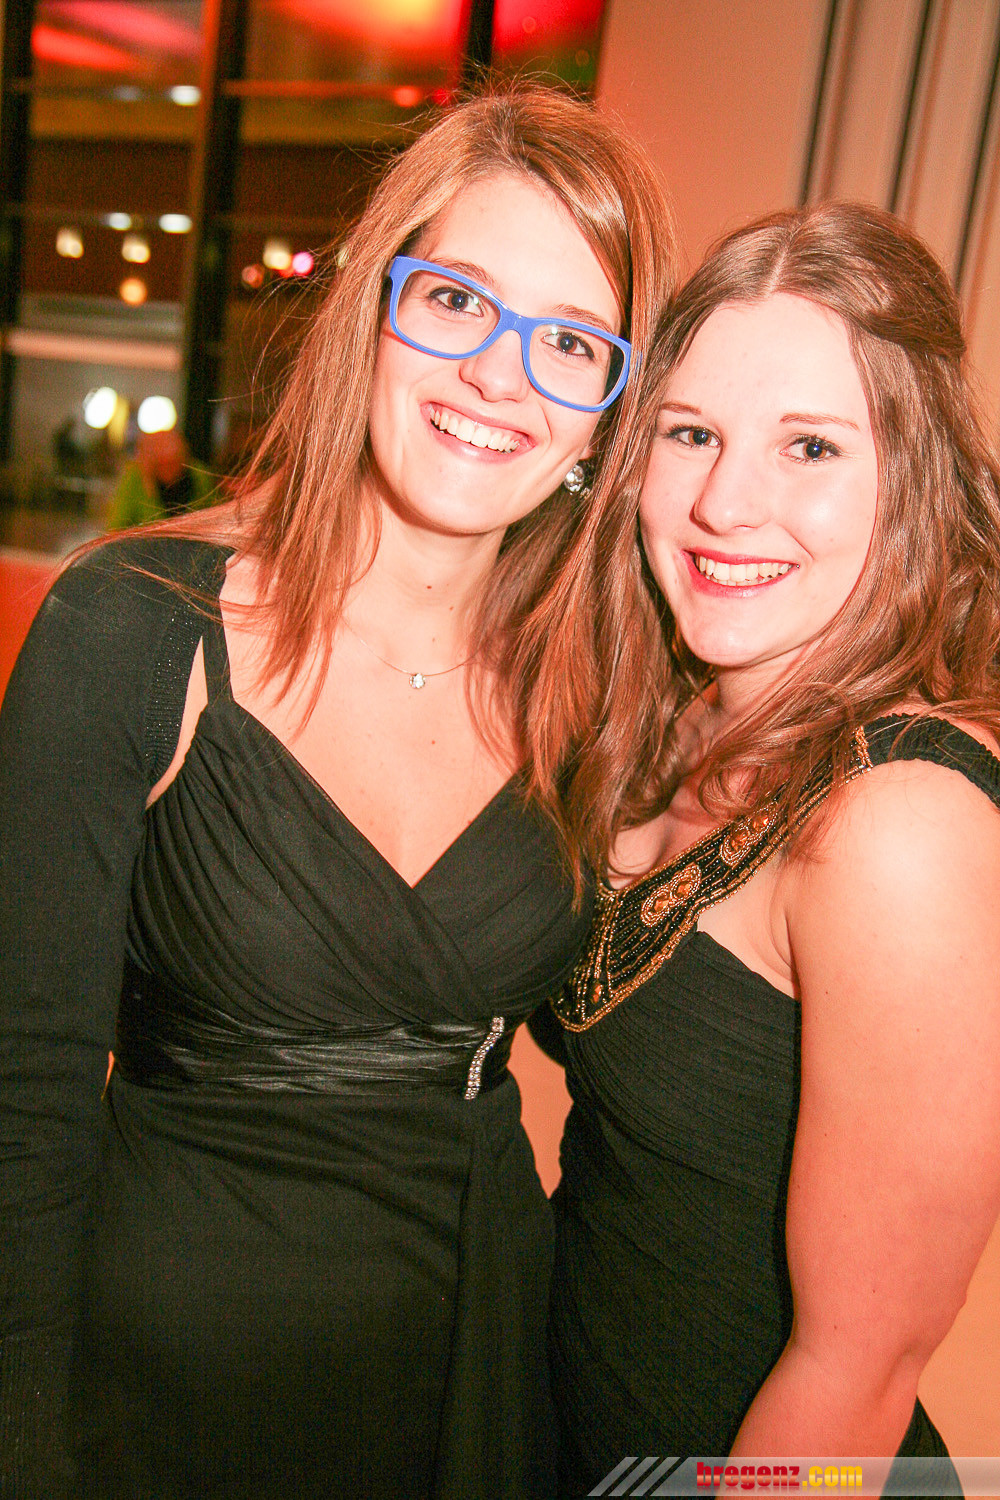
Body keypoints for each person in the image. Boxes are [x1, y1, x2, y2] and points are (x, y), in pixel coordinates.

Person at [0, 84, 675, 1498]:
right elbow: (21, 1106)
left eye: (569, 342)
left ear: (608, 417)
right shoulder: (133, 626)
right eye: (457, 301)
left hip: (473, 1367)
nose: (499, 377)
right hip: (163, 1385)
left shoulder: (599, 693)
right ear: (375, 307)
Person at [544, 203, 1000, 1492]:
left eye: (809, 446)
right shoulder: (674, 722)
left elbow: (860, 1369)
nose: (724, 502)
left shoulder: (898, 822)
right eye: (690, 433)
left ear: (911, 479)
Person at [107, 427, 216, 528]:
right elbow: (116, 526)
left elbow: (213, 517)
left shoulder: (199, 476)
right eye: (161, 464)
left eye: (173, 463)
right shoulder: (135, 478)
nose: (168, 469)